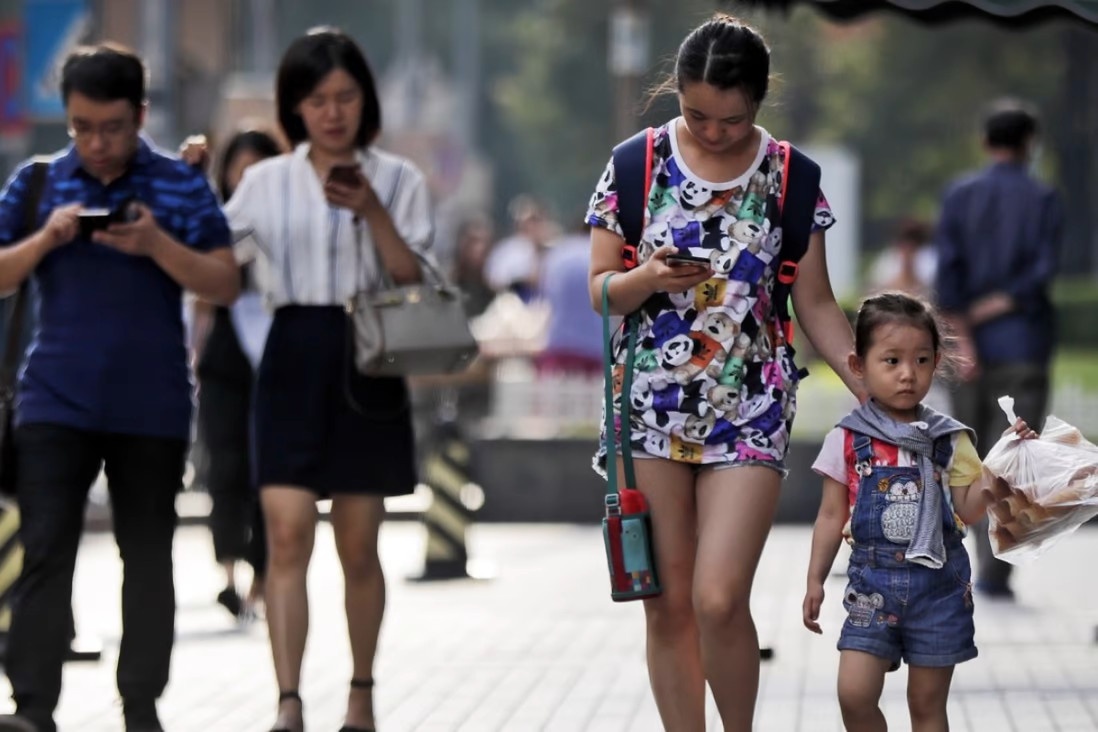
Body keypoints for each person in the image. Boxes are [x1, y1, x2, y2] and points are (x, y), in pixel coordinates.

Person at [586, 14, 865, 731]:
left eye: (731, 120)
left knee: (717, 597)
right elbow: (600, 289)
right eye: (696, 115)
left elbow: (816, 302)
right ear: (675, 94)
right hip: (649, 410)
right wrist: (645, 276)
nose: (713, 132)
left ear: (760, 101)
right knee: (668, 603)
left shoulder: (793, 177)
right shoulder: (634, 163)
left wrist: (871, 384)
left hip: (752, 409)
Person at [0, 43, 239, 732]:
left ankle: (140, 703)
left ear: (139, 116)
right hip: (52, 402)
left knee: (148, 558)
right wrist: (45, 240)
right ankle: (32, 708)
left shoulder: (177, 184)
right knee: (44, 550)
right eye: (81, 127)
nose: (96, 144)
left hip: (151, 409)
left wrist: (157, 245)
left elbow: (224, 280)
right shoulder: (39, 184)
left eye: (110, 127)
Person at [222, 27, 432, 732]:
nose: (333, 112)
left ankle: (361, 692)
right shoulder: (265, 180)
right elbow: (221, 254)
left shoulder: (398, 177)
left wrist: (370, 209)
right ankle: (287, 700)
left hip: (368, 356)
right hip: (292, 351)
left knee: (359, 544)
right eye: (316, 100)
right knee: (285, 536)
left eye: (345, 97)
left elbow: (416, 280)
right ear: (294, 107)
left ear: (364, 100)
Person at [802, 292, 1038, 732]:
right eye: (891, 361)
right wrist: (815, 579)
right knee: (854, 695)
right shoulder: (848, 438)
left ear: (936, 362)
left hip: (939, 590)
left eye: (922, 360)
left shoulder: (952, 440)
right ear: (859, 366)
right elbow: (831, 516)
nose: (908, 374)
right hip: (871, 590)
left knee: (926, 706)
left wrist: (997, 476)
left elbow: (966, 511)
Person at [933, 98, 1063, 599]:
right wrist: (995, 308)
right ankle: (994, 573)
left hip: (968, 353)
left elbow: (946, 276)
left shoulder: (959, 196)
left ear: (987, 142)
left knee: (961, 457)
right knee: (1013, 460)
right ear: (1029, 144)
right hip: (1024, 345)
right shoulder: (1044, 198)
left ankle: (947, 564)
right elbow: (1040, 274)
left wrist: (965, 331)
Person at [185, 128, 285, 620]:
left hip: (278, 359)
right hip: (226, 358)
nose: (245, 180)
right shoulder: (216, 225)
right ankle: (228, 571)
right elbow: (201, 298)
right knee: (224, 466)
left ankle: (263, 576)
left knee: (269, 471)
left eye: (257, 170)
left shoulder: (290, 223)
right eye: (237, 169)